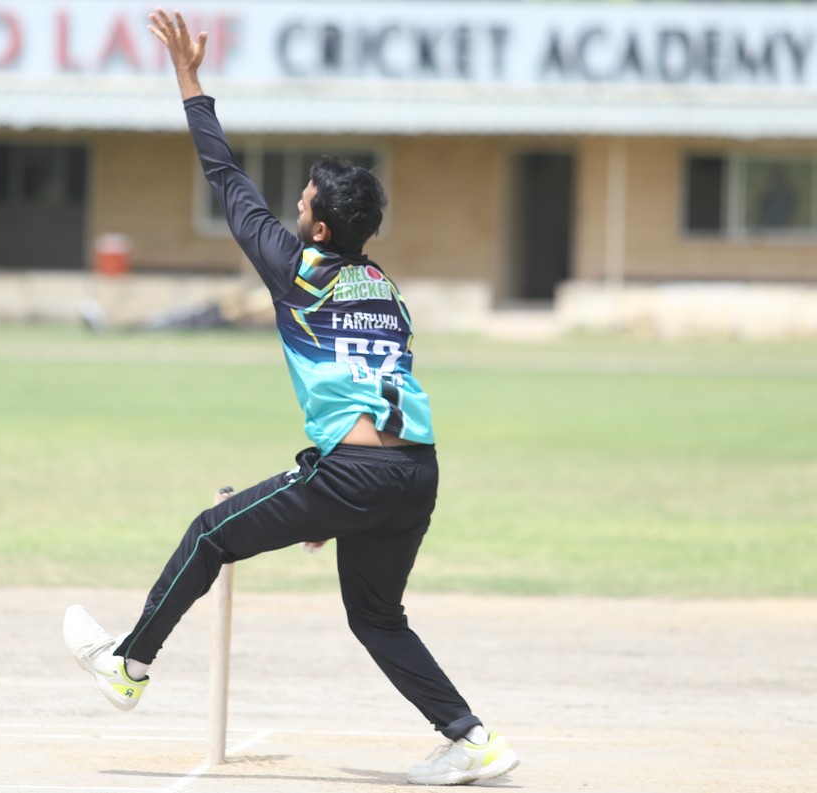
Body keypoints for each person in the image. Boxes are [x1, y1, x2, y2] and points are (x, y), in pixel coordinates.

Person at [63, 9, 519, 787]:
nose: (295, 208)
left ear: (321, 227)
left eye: (303, 202)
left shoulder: (297, 270)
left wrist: (188, 80)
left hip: (357, 475)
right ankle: (472, 738)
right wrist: (334, 499)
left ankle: (129, 667)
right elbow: (371, 380)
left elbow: (224, 175)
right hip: (416, 472)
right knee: (376, 616)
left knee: (209, 533)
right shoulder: (386, 288)